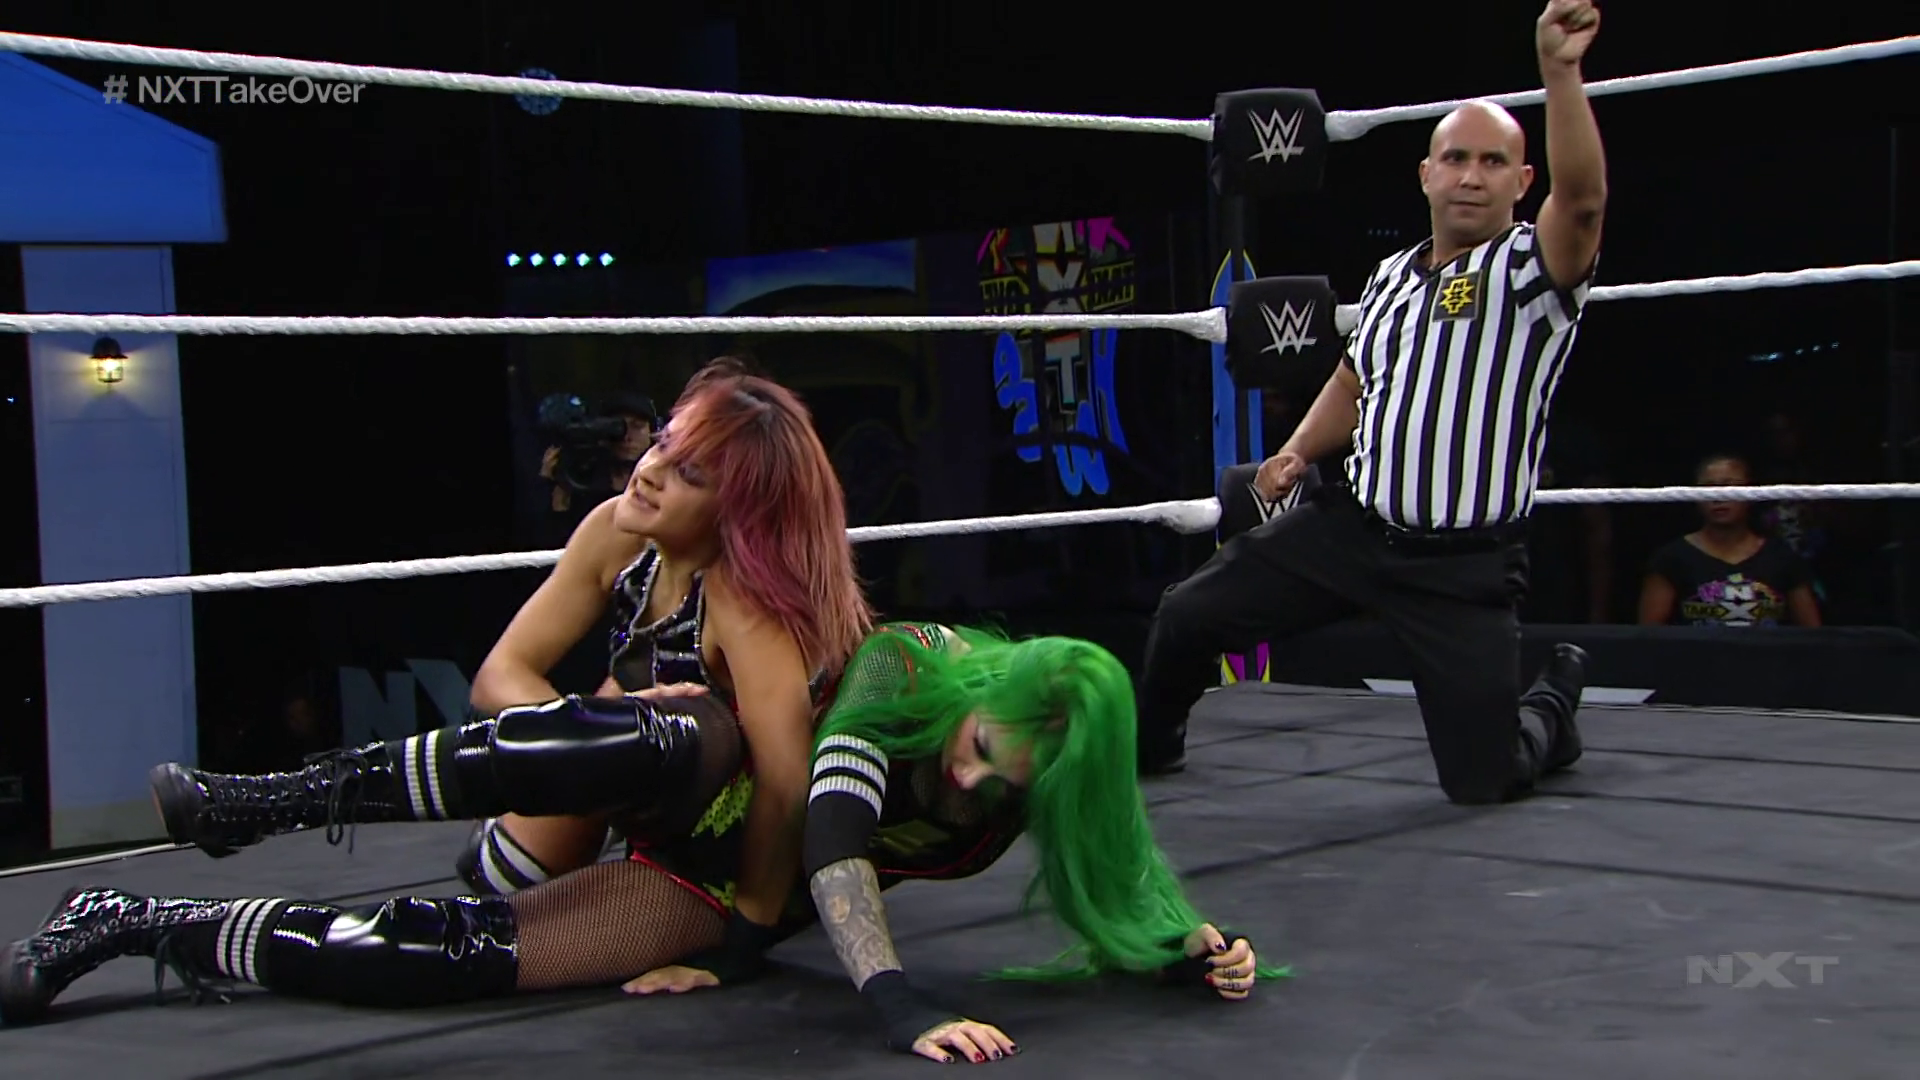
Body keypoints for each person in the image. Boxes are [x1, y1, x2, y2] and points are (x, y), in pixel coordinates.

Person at [1, 625, 1272, 1064]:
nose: (971, 778)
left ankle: (134, 923)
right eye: (980, 747)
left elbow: (1117, 873)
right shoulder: (910, 665)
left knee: (455, 965)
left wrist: (1187, 947)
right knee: (644, 742)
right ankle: (259, 801)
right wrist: (897, 1005)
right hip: (703, 776)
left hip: (716, 891)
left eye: (1007, 782)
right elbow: (834, 830)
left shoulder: (1041, 782)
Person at [145, 357, 873, 971]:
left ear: (735, 511)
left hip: (724, 849)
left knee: (462, 947)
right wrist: (594, 730)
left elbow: (786, 787)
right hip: (625, 785)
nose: (649, 471)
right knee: (499, 872)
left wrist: (745, 941)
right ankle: (262, 804)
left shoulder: (748, 610)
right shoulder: (617, 534)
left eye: (688, 472)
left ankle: (181, 920)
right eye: (662, 443)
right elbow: (501, 676)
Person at [1134, 0, 1608, 804]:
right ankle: (1153, 747)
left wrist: (1559, 72)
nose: (1471, 175)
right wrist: (1295, 451)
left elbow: (1585, 201)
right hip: (1351, 529)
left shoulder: (1532, 272)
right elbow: (1355, 379)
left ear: (1522, 182)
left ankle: (1552, 707)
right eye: (1455, 158)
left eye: (1493, 162)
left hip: (1462, 564)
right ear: (1426, 174)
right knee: (1186, 614)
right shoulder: (1391, 275)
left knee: (1485, 780)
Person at [1637, 453, 1822, 628]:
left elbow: (1812, 633)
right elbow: (1649, 636)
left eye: (1729, 487)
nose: (1719, 497)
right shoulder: (1671, 558)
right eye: (1708, 488)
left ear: (1751, 493)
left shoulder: (1782, 557)